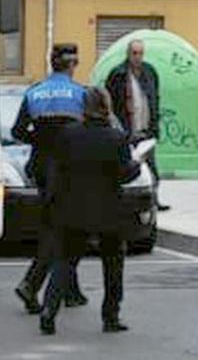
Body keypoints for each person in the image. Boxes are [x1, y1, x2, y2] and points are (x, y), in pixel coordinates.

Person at [39, 87, 140, 335]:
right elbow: (125, 174)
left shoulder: (68, 135)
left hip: (73, 208)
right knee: (113, 264)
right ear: (106, 106)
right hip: (108, 210)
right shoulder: (116, 138)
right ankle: (110, 316)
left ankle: (49, 310)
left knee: (65, 261)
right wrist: (137, 165)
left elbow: (57, 169)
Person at [12, 44, 89, 314]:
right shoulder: (81, 94)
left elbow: (18, 131)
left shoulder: (34, 93)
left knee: (58, 226)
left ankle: (71, 291)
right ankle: (31, 284)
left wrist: (43, 141)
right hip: (70, 170)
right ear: (72, 64)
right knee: (63, 230)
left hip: (42, 167)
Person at [106, 39, 168, 211]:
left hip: (146, 130)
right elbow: (111, 103)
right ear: (128, 53)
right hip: (127, 130)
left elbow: (155, 98)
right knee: (127, 166)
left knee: (151, 167)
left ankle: (154, 199)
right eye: (134, 53)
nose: (137, 57)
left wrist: (155, 127)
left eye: (140, 53)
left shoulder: (149, 72)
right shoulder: (118, 73)